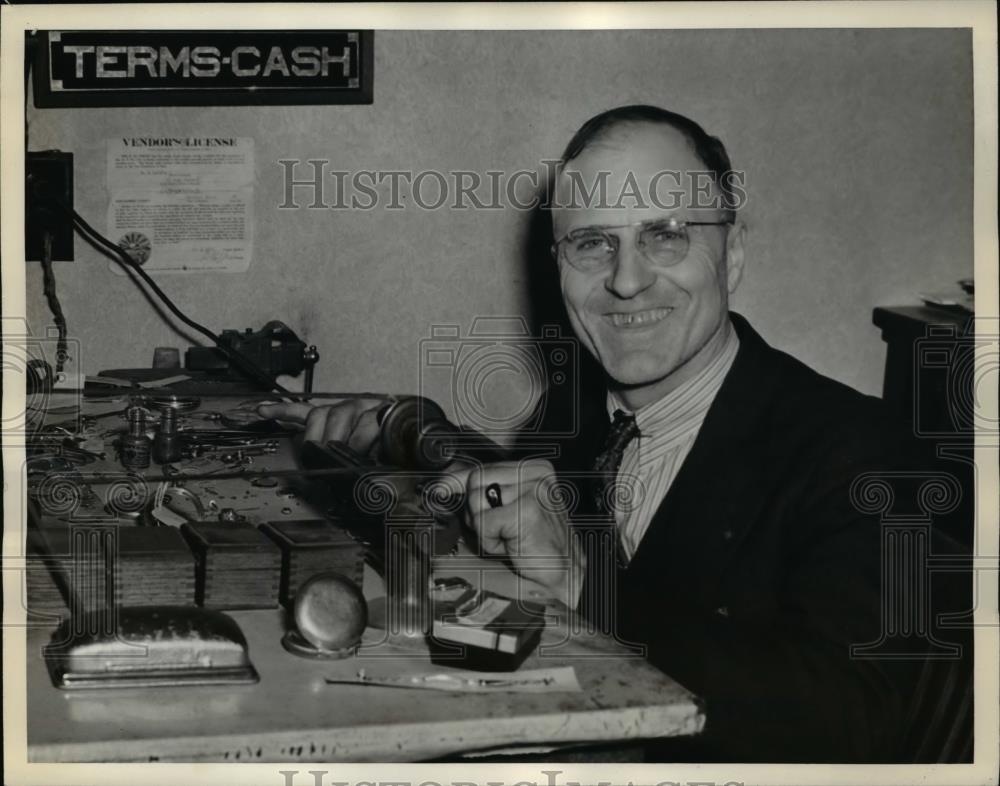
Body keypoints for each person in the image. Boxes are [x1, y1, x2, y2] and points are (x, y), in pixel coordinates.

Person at [260, 105, 969, 762]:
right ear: (559, 268)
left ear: (734, 253)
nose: (627, 282)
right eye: (593, 244)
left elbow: (858, 723)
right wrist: (405, 425)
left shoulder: (863, 451)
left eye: (666, 235)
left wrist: (585, 585)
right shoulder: (578, 414)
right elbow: (532, 518)